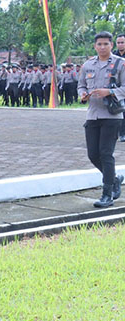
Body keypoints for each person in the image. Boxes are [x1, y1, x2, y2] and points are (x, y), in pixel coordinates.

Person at [78, 31, 125, 208]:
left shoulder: (121, 64)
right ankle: (114, 180)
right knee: (93, 155)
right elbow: (81, 85)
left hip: (112, 116)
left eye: (106, 44)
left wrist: (110, 92)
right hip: (93, 115)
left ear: (112, 45)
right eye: (99, 44)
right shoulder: (88, 65)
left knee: (106, 154)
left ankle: (108, 194)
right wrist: (82, 94)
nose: (103, 47)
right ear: (95, 46)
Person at [113, 33, 125, 142]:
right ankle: (119, 133)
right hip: (117, 87)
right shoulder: (113, 56)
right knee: (118, 110)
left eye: (122, 42)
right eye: (118, 43)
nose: (120, 45)